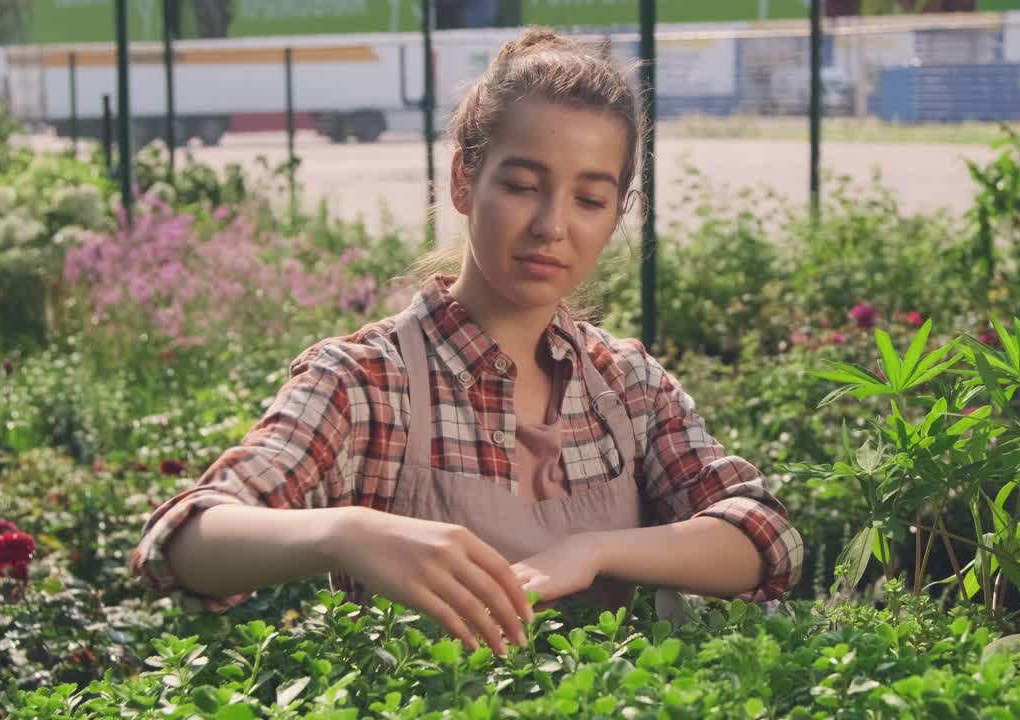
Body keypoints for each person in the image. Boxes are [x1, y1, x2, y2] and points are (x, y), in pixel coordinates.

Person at [130, 27, 803, 659]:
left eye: (590, 200)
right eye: (521, 185)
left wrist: (595, 551)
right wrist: (349, 533)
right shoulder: (368, 383)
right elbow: (182, 543)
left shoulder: (628, 386)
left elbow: (763, 537)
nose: (551, 225)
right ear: (463, 180)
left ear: (617, 215)